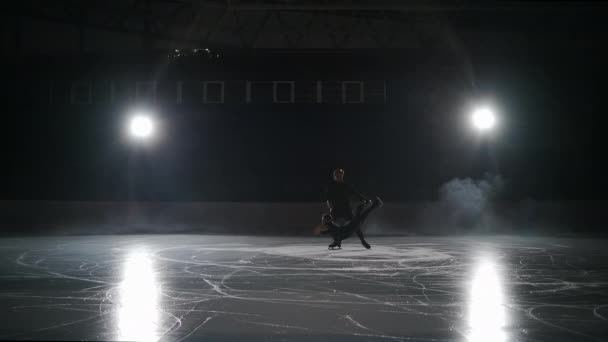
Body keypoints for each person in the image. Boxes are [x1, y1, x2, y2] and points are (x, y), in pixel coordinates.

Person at [321, 168, 381, 249]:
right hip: (335, 208)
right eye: (337, 175)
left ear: (342, 175)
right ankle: (337, 242)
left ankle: (362, 240)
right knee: (332, 226)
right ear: (334, 176)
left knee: (356, 223)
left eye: (341, 175)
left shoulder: (346, 185)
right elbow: (327, 198)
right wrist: (330, 207)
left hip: (346, 208)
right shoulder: (331, 185)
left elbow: (355, 193)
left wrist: (364, 199)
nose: (339, 176)